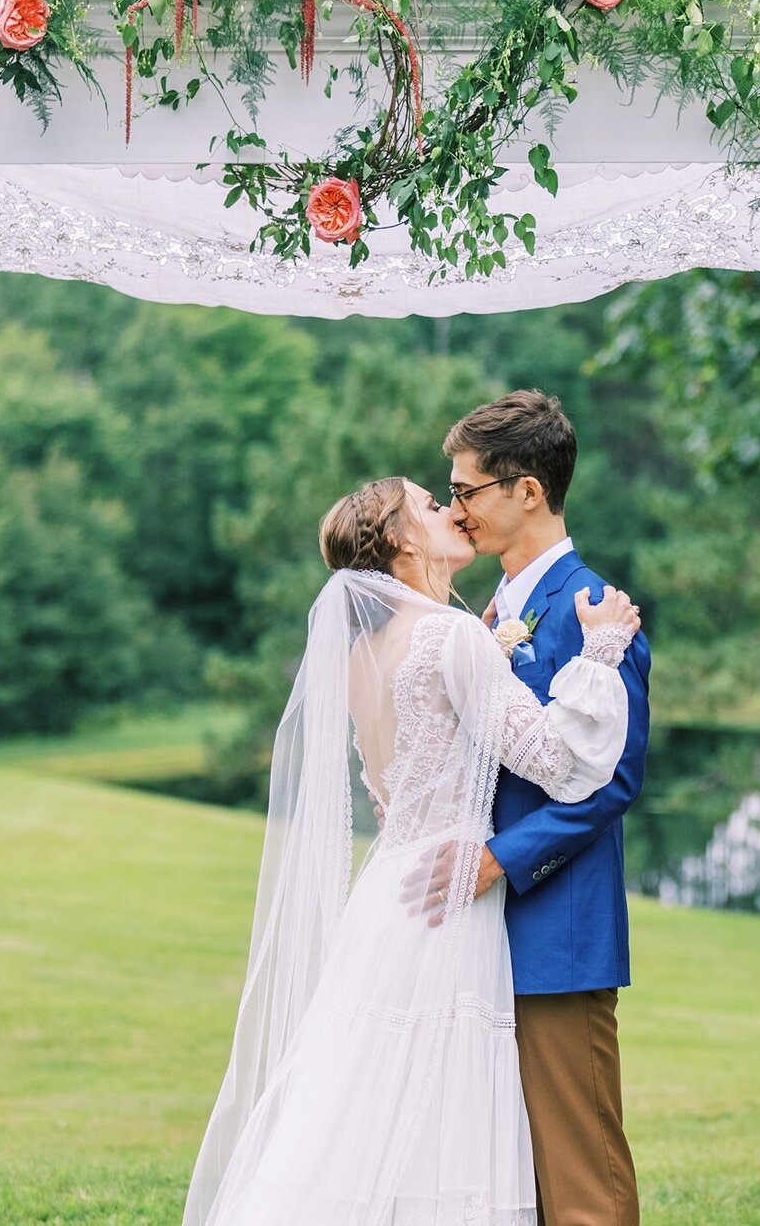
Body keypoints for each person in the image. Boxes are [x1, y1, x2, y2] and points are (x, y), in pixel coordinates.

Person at [183, 474, 642, 1226]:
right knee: (440, 1106)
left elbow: (396, 786)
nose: (451, 510)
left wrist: (493, 647)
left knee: (363, 1100)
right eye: (432, 505)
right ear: (400, 540)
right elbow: (557, 761)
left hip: (390, 893)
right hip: (450, 894)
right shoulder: (452, 635)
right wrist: (599, 651)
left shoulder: (364, 657)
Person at [441, 390, 651, 1226]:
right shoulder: (490, 608)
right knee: (505, 1171)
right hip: (475, 933)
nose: (456, 507)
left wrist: (504, 857)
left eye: (467, 490)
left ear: (527, 490)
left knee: (580, 1178)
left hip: (554, 928)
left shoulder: (593, 609)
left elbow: (614, 781)